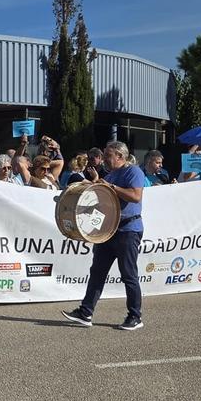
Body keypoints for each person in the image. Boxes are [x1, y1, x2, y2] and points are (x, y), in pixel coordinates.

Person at [61, 141, 147, 331]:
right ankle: (85, 312)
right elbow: (102, 201)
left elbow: (135, 196)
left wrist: (110, 186)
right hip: (108, 231)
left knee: (128, 274)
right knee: (97, 272)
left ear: (120, 156)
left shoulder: (133, 172)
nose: (104, 159)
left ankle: (135, 316)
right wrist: (89, 188)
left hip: (128, 229)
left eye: (108, 155)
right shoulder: (110, 175)